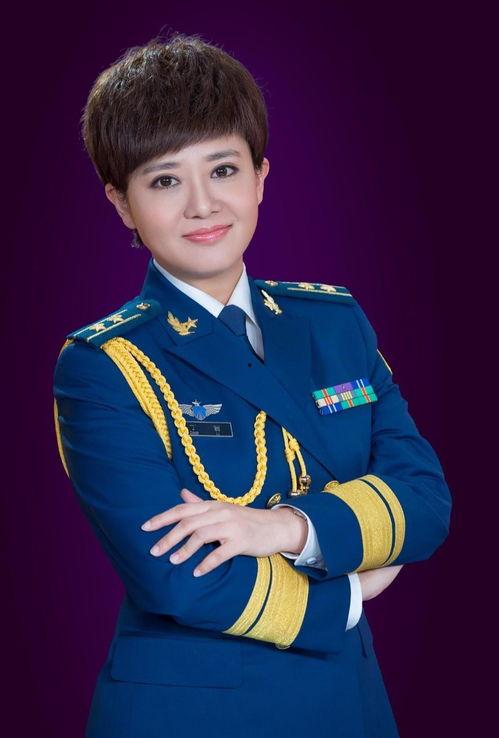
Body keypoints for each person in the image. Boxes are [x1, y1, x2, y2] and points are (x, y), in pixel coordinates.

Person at [52, 32, 452, 738]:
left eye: (224, 169)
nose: (203, 205)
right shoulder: (103, 365)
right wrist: (348, 594)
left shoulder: (333, 323)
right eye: (165, 181)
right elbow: (177, 578)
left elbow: (425, 499)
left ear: (261, 177)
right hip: (189, 712)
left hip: (348, 704)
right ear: (121, 203)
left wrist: (287, 527)